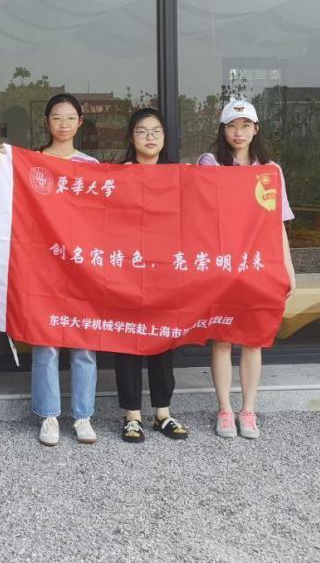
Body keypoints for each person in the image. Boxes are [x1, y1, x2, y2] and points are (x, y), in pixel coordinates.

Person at [0, 93, 100, 447]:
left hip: (82, 267)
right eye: (57, 117)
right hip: (43, 266)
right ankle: (49, 415)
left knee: (84, 342)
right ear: (47, 122)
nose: (64, 124)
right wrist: (5, 165)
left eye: (70, 118)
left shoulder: (91, 166)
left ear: (80, 122)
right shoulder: (32, 163)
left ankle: (83, 415)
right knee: (46, 340)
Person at [197, 98, 297, 440]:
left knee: (254, 338)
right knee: (223, 337)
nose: (238, 133)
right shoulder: (210, 163)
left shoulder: (271, 170)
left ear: (256, 129)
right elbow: (202, 214)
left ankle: (249, 410)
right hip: (224, 263)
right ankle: (225, 409)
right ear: (222, 130)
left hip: (259, 263)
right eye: (231, 126)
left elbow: (277, 224)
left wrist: (288, 267)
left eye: (245, 126)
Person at [110, 108, 190, 443]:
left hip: (165, 269)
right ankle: (131, 416)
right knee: (127, 341)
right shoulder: (118, 176)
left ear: (165, 137)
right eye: (142, 131)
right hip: (127, 269)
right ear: (132, 138)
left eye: (156, 131)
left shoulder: (179, 176)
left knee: (162, 340)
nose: (150, 137)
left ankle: (162, 413)